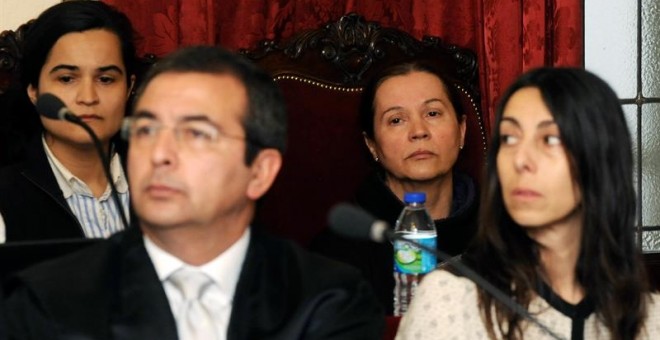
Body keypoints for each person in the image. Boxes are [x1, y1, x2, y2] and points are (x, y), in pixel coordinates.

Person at [3, 45, 384, 340]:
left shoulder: (328, 300)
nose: (160, 155)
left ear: (260, 171)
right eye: (147, 130)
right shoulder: (48, 302)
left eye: (196, 134)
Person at [396, 67, 660, 339]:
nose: (520, 159)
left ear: (599, 159)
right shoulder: (449, 302)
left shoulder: (652, 320)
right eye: (509, 138)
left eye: (549, 139)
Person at [312, 61, 479, 315]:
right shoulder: (337, 252)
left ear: (462, 130)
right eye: (397, 120)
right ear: (372, 145)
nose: (419, 131)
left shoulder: (505, 230)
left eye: (432, 113)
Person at [0, 1, 137, 242]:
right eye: (66, 79)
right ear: (34, 90)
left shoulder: (166, 180)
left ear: (129, 88)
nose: (88, 97)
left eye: (105, 79)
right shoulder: (6, 195)